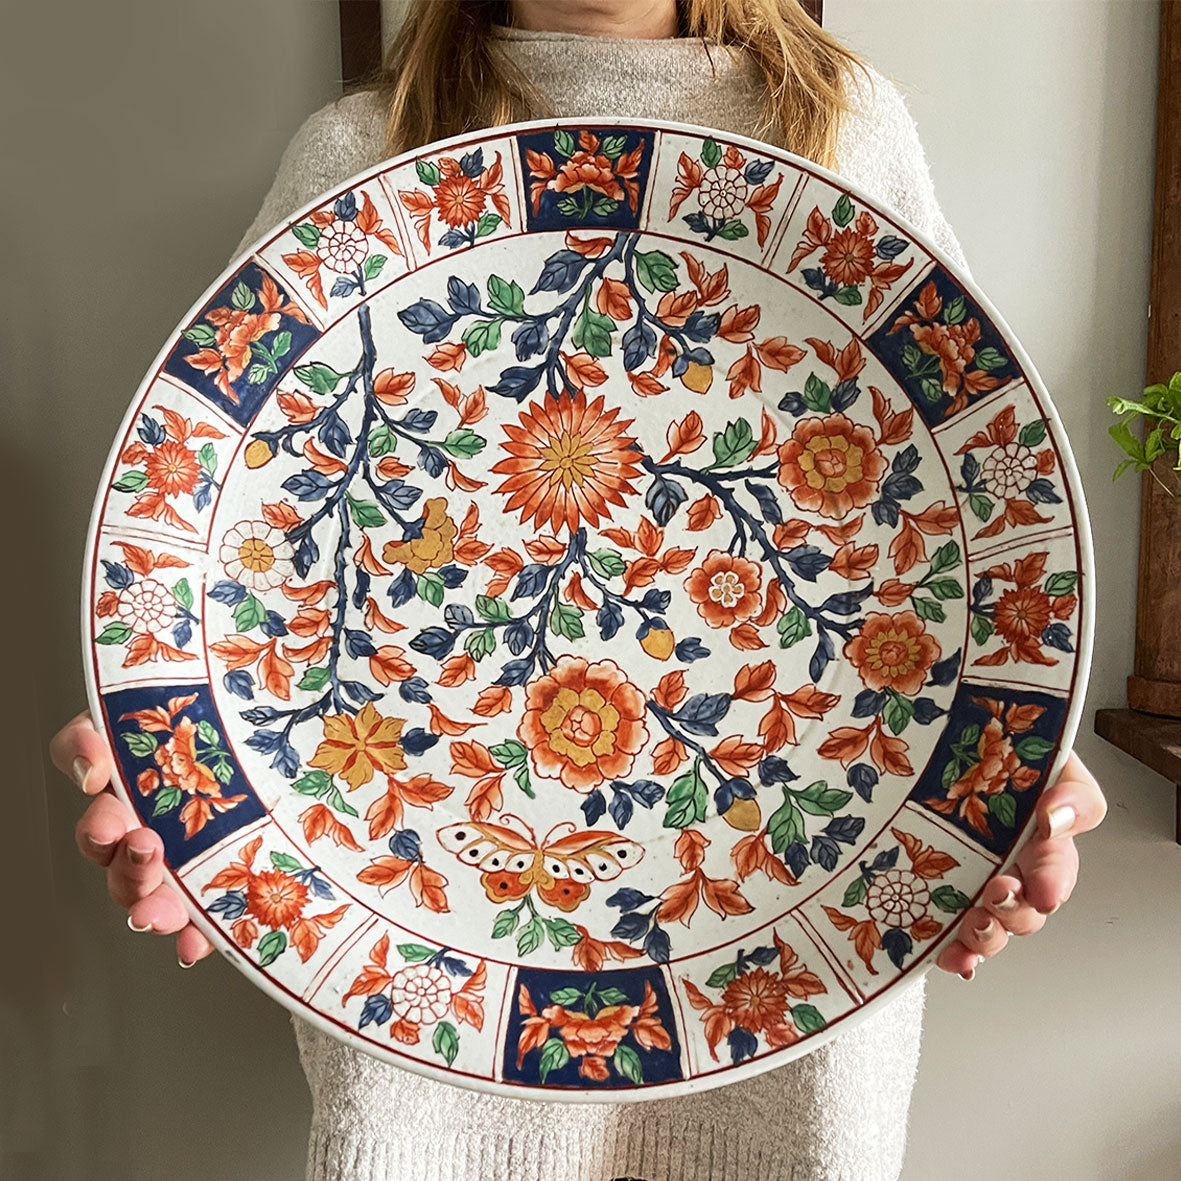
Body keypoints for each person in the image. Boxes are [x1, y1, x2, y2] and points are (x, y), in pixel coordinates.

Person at [52, 2, 1108, 1178]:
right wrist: (184, 767)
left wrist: (1012, 778)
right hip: (426, 1027)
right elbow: (221, 505)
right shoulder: (363, 149)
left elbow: (966, 512)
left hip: (791, 967)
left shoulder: (844, 129)